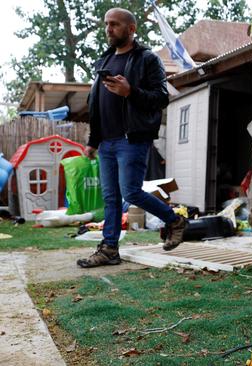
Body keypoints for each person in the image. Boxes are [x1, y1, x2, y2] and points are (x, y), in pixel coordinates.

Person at [77, 8, 187, 268]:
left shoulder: (146, 59)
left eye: (114, 24)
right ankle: (109, 249)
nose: (109, 29)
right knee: (111, 199)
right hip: (107, 142)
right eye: (107, 24)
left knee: (131, 192)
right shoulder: (104, 61)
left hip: (132, 139)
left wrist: (130, 91)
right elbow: (96, 104)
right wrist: (94, 140)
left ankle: (174, 220)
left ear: (131, 29)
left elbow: (161, 97)